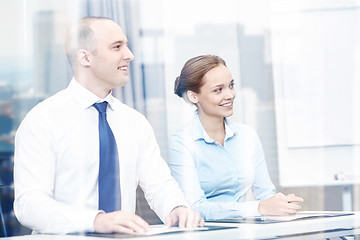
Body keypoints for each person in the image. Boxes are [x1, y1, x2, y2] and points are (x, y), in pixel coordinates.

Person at [13, 17, 204, 235]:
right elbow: (28, 205)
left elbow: (159, 185)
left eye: (127, 45)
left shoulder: (134, 122)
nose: (129, 55)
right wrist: (95, 221)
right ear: (85, 57)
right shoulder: (43, 120)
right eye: (117, 47)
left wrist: (176, 207)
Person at [167, 55, 304, 220]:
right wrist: (258, 208)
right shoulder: (182, 142)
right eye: (218, 89)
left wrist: (281, 205)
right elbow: (194, 207)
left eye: (231, 86)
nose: (230, 95)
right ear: (194, 96)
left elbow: (266, 195)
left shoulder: (247, 136)